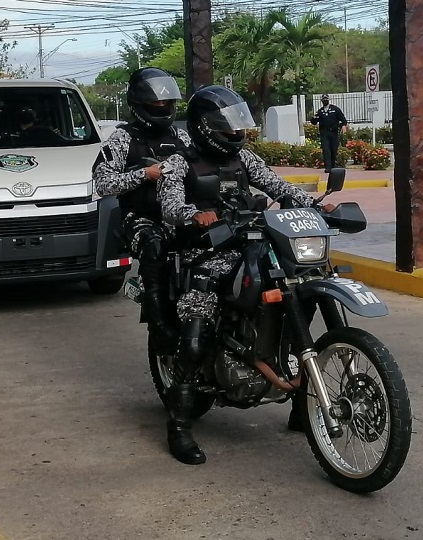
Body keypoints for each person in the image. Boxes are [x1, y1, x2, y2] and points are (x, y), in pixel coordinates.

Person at [157, 85, 335, 465]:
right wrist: (193, 214)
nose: (235, 132)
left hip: (250, 243)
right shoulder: (178, 162)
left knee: (300, 292)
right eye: (227, 125)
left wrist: (315, 203)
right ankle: (180, 426)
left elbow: (277, 186)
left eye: (238, 123)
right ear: (204, 126)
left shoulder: (245, 158)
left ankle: (300, 406)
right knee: (196, 332)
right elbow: (170, 203)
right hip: (202, 252)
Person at [92, 67, 191, 353]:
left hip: (180, 215)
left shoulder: (182, 137)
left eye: (166, 103)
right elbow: (103, 183)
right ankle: (159, 323)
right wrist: (144, 175)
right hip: (140, 218)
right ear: (138, 105)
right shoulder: (122, 139)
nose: (162, 108)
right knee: (154, 244)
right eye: (155, 104)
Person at [310, 93, 348, 173]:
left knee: (333, 150)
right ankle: (328, 167)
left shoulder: (335, 109)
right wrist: (314, 118)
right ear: (321, 101)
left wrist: (343, 126)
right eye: (323, 100)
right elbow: (313, 122)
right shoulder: (320, 111)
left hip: (334, 133)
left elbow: (343, 119)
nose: (325, 101)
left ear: (328, 100)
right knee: (326, 149)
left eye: (326, 99)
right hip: (324, 133)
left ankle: (332, 166)